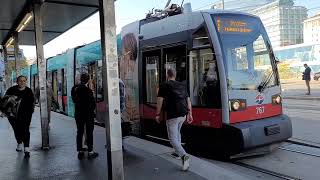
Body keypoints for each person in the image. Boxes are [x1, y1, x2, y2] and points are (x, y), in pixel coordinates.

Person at [156, 69, 193, 171]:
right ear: (175, 75)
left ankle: (184, 156)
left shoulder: (164, 85)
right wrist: (190, 114)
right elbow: (188, 100)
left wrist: (157, 114)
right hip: (183, 115)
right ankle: (177, 153)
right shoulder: (182, 85)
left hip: (173, 116)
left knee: (172, 140)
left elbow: (159, 101)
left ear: (167, 75)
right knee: (177, 133)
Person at [5, 75, 35, 158]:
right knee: (17, 130)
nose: (22, 82)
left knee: (25, 130)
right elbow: (5, 101)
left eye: (24, 81)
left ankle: (26, 148)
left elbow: (32, 102)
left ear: (26, 82)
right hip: (13, 115)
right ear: (17, 82)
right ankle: (19, 142)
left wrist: (31, 111)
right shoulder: (11, 90)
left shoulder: (29, 91)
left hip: (26, 114)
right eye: (20, 81)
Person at [71, 73, 98, 159]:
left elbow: (74, 100)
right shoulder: (88, 91)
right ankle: (90, 151)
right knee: (89, 132)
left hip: (78, 114)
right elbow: (93, 104)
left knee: (79, 132)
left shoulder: (74, 89)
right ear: (88, 80)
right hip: (88, 115)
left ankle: (80, 151)